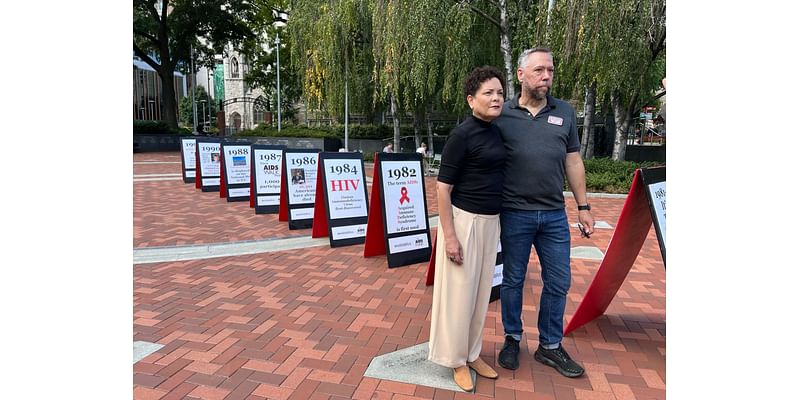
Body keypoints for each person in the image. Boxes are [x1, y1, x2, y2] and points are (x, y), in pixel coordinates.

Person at [493, 47, 595, 378]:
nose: (546, 76)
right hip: (515, 213)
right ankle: (512, 338)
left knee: (559, 280)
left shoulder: (564, 111)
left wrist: (583, 206)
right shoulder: (502, 113)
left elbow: (573, 160)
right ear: (521, 75)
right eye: (539, 70)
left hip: (553, 215)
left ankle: (550, 346)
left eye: (550, 70)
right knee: (512, 280)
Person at [428, 66, 506, 392]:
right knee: (457, 297)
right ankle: (455, 360)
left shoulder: (498, 131)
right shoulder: (462, 136)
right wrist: (449, 237)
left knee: (479, 295)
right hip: (464, 222)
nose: (496, 98)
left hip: (491, 223)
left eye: (500, 92)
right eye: (488, 93)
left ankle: (473, 353)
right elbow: (442, 188)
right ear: (471, 99)